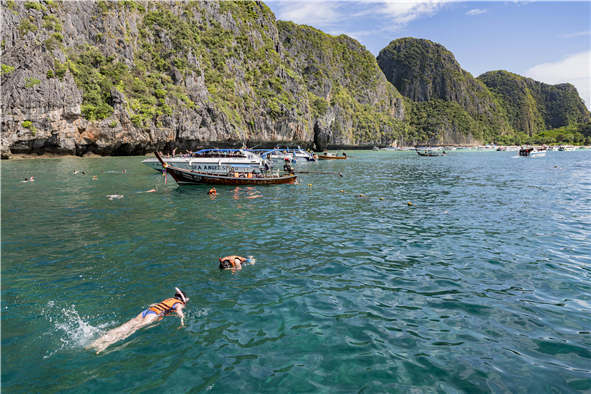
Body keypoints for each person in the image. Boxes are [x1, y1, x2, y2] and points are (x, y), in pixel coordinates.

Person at [87, 288, 188, 354]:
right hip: (153, 315)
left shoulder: (169, 299)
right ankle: (104, 345)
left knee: (124, 327)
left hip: (146, 312)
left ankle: (95, 343)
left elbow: (154, 305)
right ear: (183, 300)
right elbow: (179, 311)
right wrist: (182, 321)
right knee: (133, 330)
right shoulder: (180, 304)